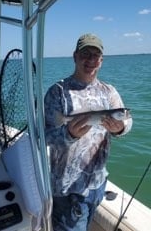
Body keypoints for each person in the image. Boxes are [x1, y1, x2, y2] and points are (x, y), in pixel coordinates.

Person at [44, 33, 132, 231]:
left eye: (96, 55)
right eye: (86, 54)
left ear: (101, 60)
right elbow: (45, 138)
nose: (91, 60)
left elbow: (128, 120)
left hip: (97, 184)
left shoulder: (109, 91)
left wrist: (121, 128)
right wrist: (69, 134)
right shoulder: (58, 92)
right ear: (75, 56)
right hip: (67, 191)